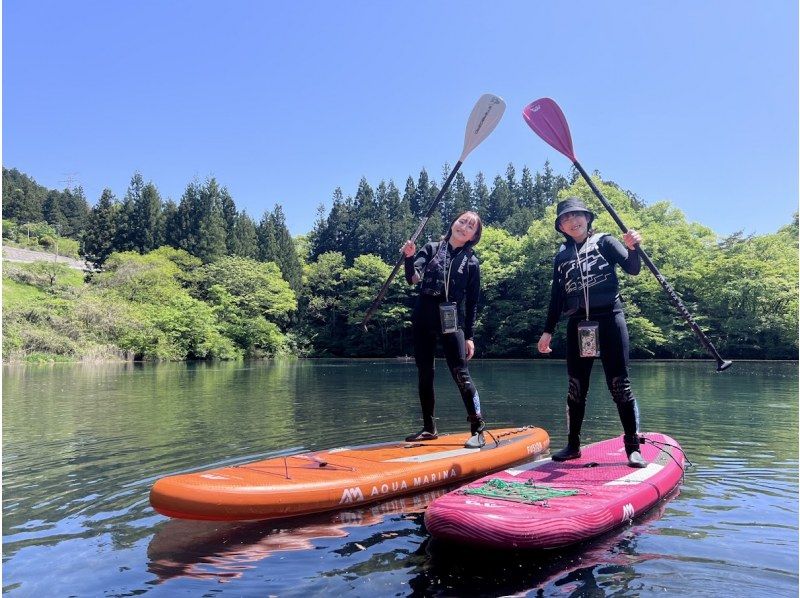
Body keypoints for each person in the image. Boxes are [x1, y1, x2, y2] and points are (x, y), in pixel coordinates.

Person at [537, 197, 646, 468]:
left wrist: (634, 248)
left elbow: (633, 269)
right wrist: (547, 331)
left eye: (577, 216)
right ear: (561, 226)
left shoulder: (606, 242)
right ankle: (573, 445)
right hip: (578, 325)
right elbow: (556, 297)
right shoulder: (561, 256)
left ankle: (633, 448)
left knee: (620, 385)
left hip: (609, 319)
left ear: (587, 219)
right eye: (566, 218)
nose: (572, 221)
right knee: (576, 388)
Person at [402, 211, 485, 449]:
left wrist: (469, 336)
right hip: (424, 317)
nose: (464, 227)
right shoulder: (431, 248)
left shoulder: (472, 262)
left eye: (470, 227)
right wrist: (409, 258)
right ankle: (429, 428)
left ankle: (477, 430)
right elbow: (413, 278)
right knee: (424, 373)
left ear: (473, 236)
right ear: (453, 223)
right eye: (462, 222)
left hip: (452, 322)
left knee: (461, 373)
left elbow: (473, 303)